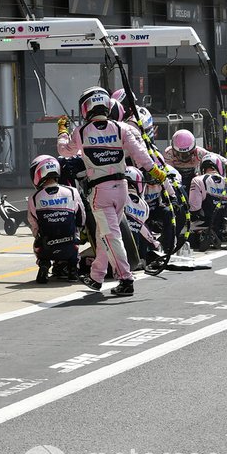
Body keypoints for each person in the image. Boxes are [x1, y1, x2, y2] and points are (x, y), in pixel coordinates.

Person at [57, 86, 167, 296]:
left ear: (86, 107)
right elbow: (142, 155)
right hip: (122, 189)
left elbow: (64, 151)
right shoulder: (121, 128)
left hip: (101, 191)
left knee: (110, 236)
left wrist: (62, 131)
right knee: (103, 234)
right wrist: (158, 173)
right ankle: (96, 276)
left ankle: (125, 279)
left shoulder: (81, 132)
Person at [27, 155, 85, 283]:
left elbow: (33, 223)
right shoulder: (72, 192)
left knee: (38, 240)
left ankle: (44, 264)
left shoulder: (35, 197)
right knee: (74, 239)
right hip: (70, 245)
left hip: (46, 247)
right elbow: (81, 217)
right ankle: (73, 270)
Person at [123, 166, 163, 265]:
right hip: (131, 253)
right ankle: (142, 258)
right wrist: (154, 243)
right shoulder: (143, 205)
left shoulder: (112, 197)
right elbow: (141, 227)